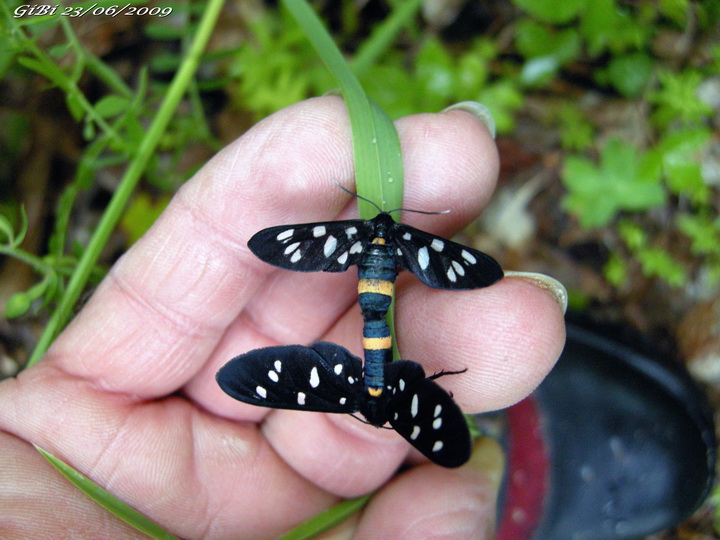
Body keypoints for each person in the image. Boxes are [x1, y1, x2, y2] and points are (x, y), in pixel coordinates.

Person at [0, 96, 566, 538]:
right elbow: (469, 275)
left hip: (367, 313)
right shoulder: (400, 288)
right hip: (385, 296)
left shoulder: (371, 380)